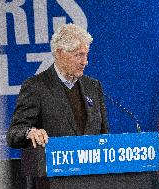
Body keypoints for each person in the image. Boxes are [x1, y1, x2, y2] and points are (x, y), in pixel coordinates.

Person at [6, 23, 109, 189]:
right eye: (79, 55)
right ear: (60, 53)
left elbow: (105, 135)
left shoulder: (93, 86)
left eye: (86, 55)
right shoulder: (36, 87)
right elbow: (13, 134)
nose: (85, 62)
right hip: (54, 182)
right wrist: (30, 132)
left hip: (93, 182)